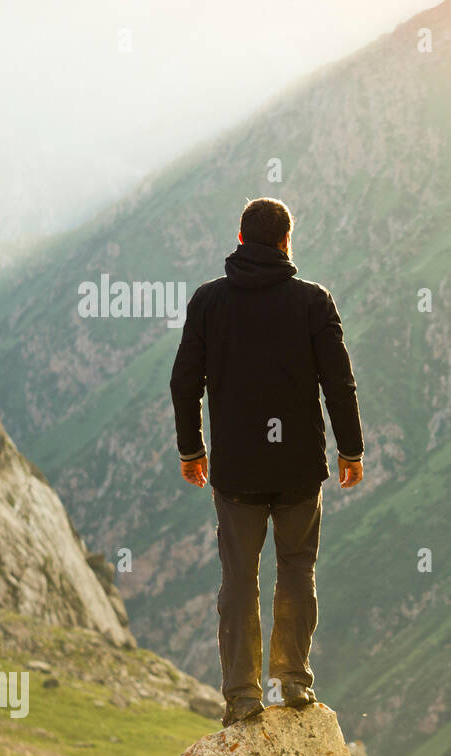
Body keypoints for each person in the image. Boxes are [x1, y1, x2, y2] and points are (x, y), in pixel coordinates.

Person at [169, 197, 364, 727]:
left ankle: (242, 697)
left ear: (239, 240)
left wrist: (193, 449)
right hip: (299, 467)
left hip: (236, 472)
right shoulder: (312, 302)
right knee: (297, 567)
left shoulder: (209, 302)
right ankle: (293, 682)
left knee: (239, 577)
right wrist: (351, 448)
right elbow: (338, 383)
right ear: (285, 242)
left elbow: (184, 382)